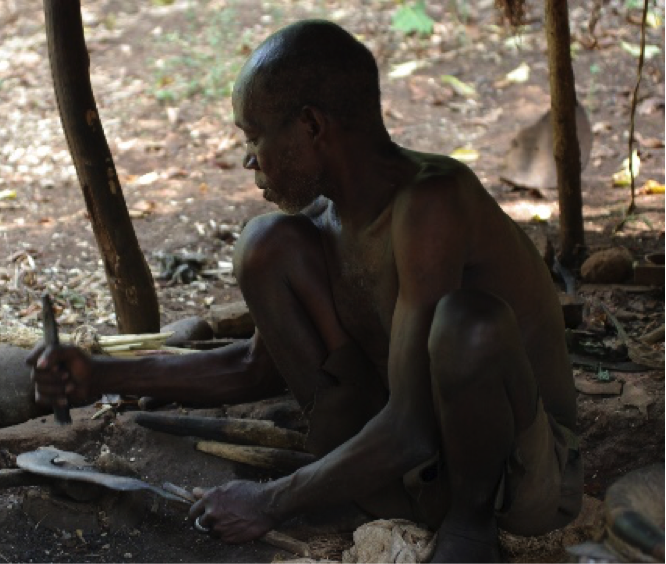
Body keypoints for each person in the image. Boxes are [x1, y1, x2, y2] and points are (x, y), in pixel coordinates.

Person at [28, 19, 582, 563]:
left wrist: (269, 502)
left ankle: (470, 532)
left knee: (467, 324)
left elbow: (413, 427)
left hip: (519, 482)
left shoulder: (430, 202)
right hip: (404, 469)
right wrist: (98, 375)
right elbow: (255, 369)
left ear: (312, 126)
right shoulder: (329, 222)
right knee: (266, 244)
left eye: (253, 137)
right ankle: (360, 481)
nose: (248, 160)